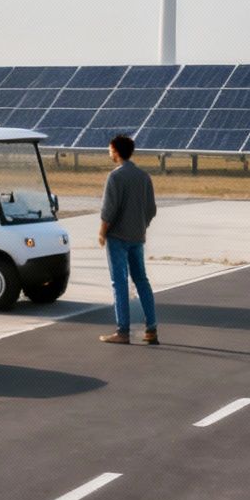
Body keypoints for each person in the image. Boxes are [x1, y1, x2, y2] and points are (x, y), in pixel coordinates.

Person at [98, 133, 158, 345]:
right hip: (137, 237)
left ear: (115, 150)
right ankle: (151, 328)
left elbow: (109, 210)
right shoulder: (144, 177)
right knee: (141, 280)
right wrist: (141, 226)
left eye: (110, 149)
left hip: (118, 237)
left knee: (119, 282)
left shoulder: (115, 177)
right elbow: (151, 209)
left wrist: (102, 232)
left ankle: (122, 331)